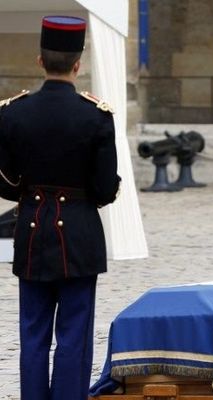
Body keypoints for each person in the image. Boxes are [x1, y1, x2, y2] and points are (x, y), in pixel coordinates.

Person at [0, 16, 121, 400]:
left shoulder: (12, 112)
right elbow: (104, 188)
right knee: (74, 335)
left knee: (33, 334)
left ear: (40, 61)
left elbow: (4, 182)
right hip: (80, 234)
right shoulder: (97, 115)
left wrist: (30, 191)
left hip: (32, 230)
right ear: (77, 64)